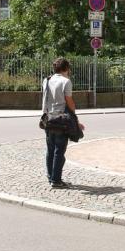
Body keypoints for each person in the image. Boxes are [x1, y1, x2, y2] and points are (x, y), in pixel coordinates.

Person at [42, 57, 85, 188]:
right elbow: (69, 100)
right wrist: (74, 114)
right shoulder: (66, 81)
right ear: (66, 69)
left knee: (50, 149)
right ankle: (56, 180)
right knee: (59, 151)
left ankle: (51, 177)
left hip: (48, 118)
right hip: (61, 119)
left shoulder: (46, 80)